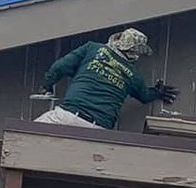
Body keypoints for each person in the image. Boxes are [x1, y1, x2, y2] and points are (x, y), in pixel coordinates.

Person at [35, 27, 178, 129]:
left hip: (68, 116)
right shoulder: (133, 75)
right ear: (135, 53)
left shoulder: (93, 49)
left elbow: (60, 66)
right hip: (99, 130)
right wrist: (158, 92)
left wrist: (47, 85)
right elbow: (145, 96)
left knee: (27, 136)